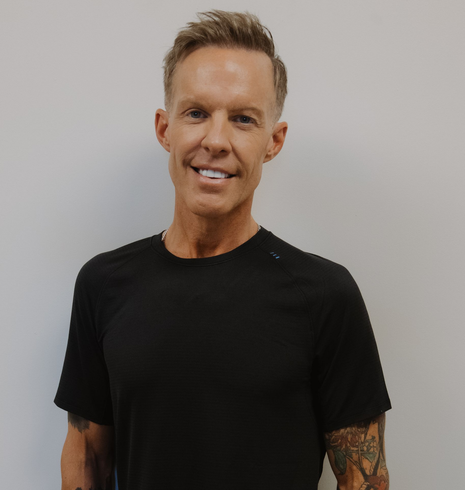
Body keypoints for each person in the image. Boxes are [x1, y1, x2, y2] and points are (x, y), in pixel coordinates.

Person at [55, 10, 391, 490]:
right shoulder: (103, 284)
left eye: (242, 119)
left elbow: (364, 481)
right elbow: (87, 457)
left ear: (273, 141)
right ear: (164, 128)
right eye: (196, 113)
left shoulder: (324, 296)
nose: (215, 140)